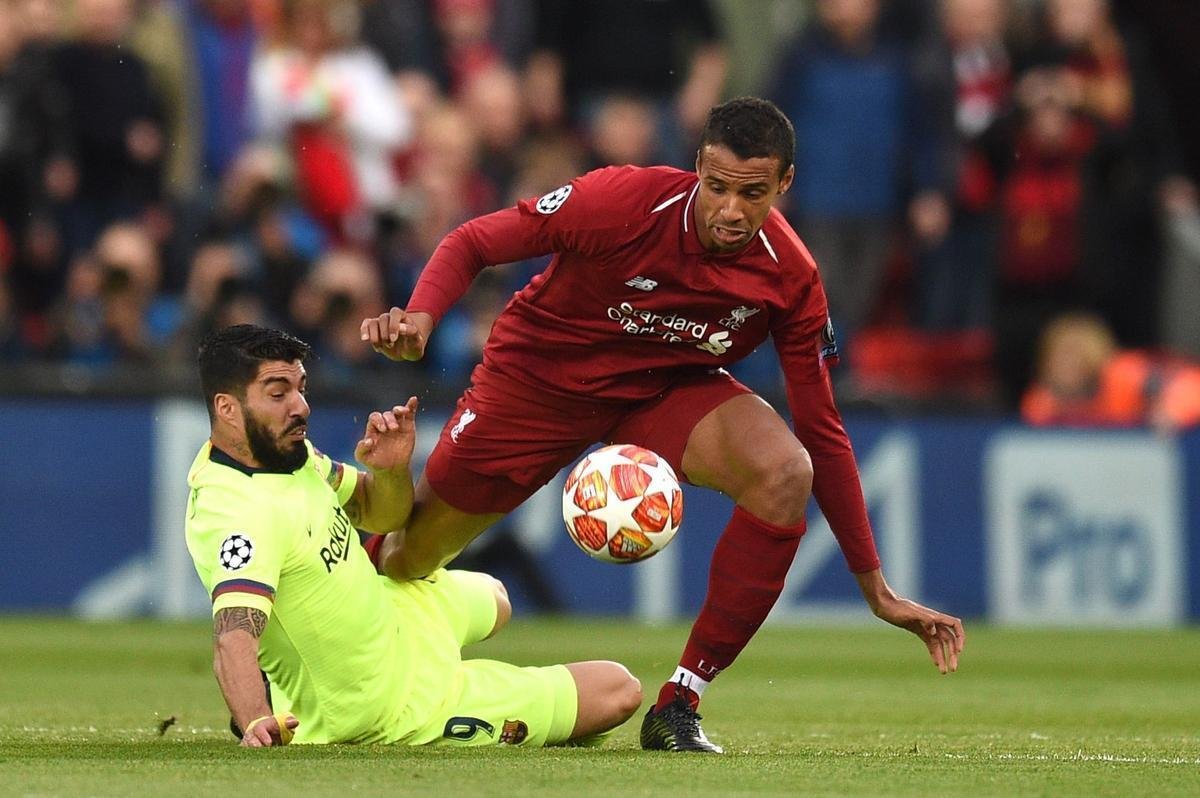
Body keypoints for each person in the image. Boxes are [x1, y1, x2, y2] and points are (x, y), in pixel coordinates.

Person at [359, 97, 965, 753]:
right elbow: (474, 240)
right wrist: (420, 317)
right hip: (538, 380)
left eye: (754, 193)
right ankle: (348, 640)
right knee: (407, 555)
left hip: (660, 390)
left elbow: (823, 428)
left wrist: (874, 585)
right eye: (719, 187)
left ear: (784, 184)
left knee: (785, 472)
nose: (731, 210)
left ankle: (679, 703)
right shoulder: (621, 201)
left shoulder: (789, 278)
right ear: (699, 166)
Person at [184, 324, 641, 747]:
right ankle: (306, 703)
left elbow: (381, 516)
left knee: (498, 598)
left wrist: (390, 473)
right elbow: (234, 635)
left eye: (300, 389)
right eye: (278, 393)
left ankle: (294, 688)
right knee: (619, 690)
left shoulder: (288, 455)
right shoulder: (238, 513)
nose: (300, 407)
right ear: (227, 407)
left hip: (393, 616)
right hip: (387, 704)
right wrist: (256, 721)